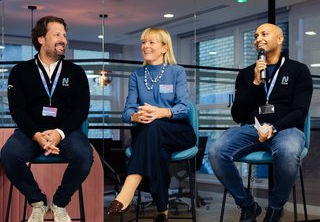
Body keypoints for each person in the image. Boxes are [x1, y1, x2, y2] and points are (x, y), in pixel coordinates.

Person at [208, 23, 313, 222]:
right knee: (216, 151)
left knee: (288, 151)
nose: (258, 39)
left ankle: (275, 208)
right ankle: (248, 205)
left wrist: (274, 127)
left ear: (280, 39)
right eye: (256, 36)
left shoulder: (298, 70)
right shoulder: (247, 74)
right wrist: (255, 83)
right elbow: (237, 115)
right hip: (251, 129)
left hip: (286, 129)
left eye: (264, 34)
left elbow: (300, 111)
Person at [0, 16, 93, 222]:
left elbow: (81, 110)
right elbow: (17, 110)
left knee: (84, 156)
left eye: (65, 36)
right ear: (41, 39)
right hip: (30, 131)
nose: (63, 40)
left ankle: (59, 203)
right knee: (9, 155)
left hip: (66, 132)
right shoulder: (20, 71)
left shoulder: (76, 72)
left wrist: (58, 134)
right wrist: (37, 136)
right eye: (57, 34)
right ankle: (38, 202)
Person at [106, 27, 196, 222]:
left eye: (151, 42)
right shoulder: (136, 76)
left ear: (164, 48)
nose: (145, 46)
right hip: (148, 133)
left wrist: (162, 112)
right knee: (158, 152)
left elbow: (184, 108)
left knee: (154, 128)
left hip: (177, 131)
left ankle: (128, 188)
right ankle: (162, 211)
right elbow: (127, 112)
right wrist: (137, 117)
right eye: (143, 42)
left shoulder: (176, 72)